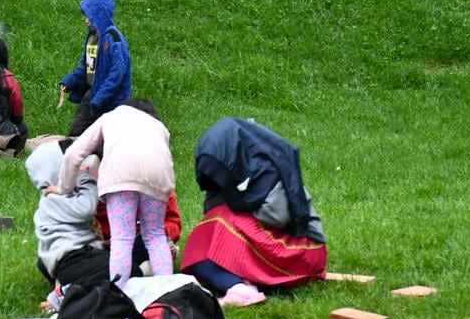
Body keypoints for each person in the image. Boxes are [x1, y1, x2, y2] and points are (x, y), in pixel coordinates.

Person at [180, 117, 327, 306]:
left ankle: (243, 289)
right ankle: (237, 285)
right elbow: (211, 207)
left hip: (305, 250)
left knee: (219, 219)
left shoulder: (267, 169)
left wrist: (240, 200)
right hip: (273, 243)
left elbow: (277, 217)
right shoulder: (240, 173)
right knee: (201, 244)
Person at [49, 98, 173, 288]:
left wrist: (63, 187)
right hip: (158, 174)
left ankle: (117, 297)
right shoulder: (159, 127)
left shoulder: (109, 117)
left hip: (119, 174)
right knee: (155, 235)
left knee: (122, 239)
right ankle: (167, 293)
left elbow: (74, 154)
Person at [25, 140, 107, 307]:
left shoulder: (62, 196)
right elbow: (86, 208)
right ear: (58, 172)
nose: (78, 168)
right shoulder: (53, 198)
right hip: (73, 258)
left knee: (112, 260)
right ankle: (66, 293)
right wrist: (86, 178)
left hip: (67, 258)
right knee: (121, 268)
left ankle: (66, 284)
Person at [59, 0, 131, 137]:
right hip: (93, 94)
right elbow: (85, 66)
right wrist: (70, 81)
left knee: (110, 136)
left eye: (89, 16)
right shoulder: (92, 38)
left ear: (100, 15)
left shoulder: (114, 39)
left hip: (111, 101)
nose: (86, 20)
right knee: (78, 131)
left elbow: (117, 72)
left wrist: (101, 97)